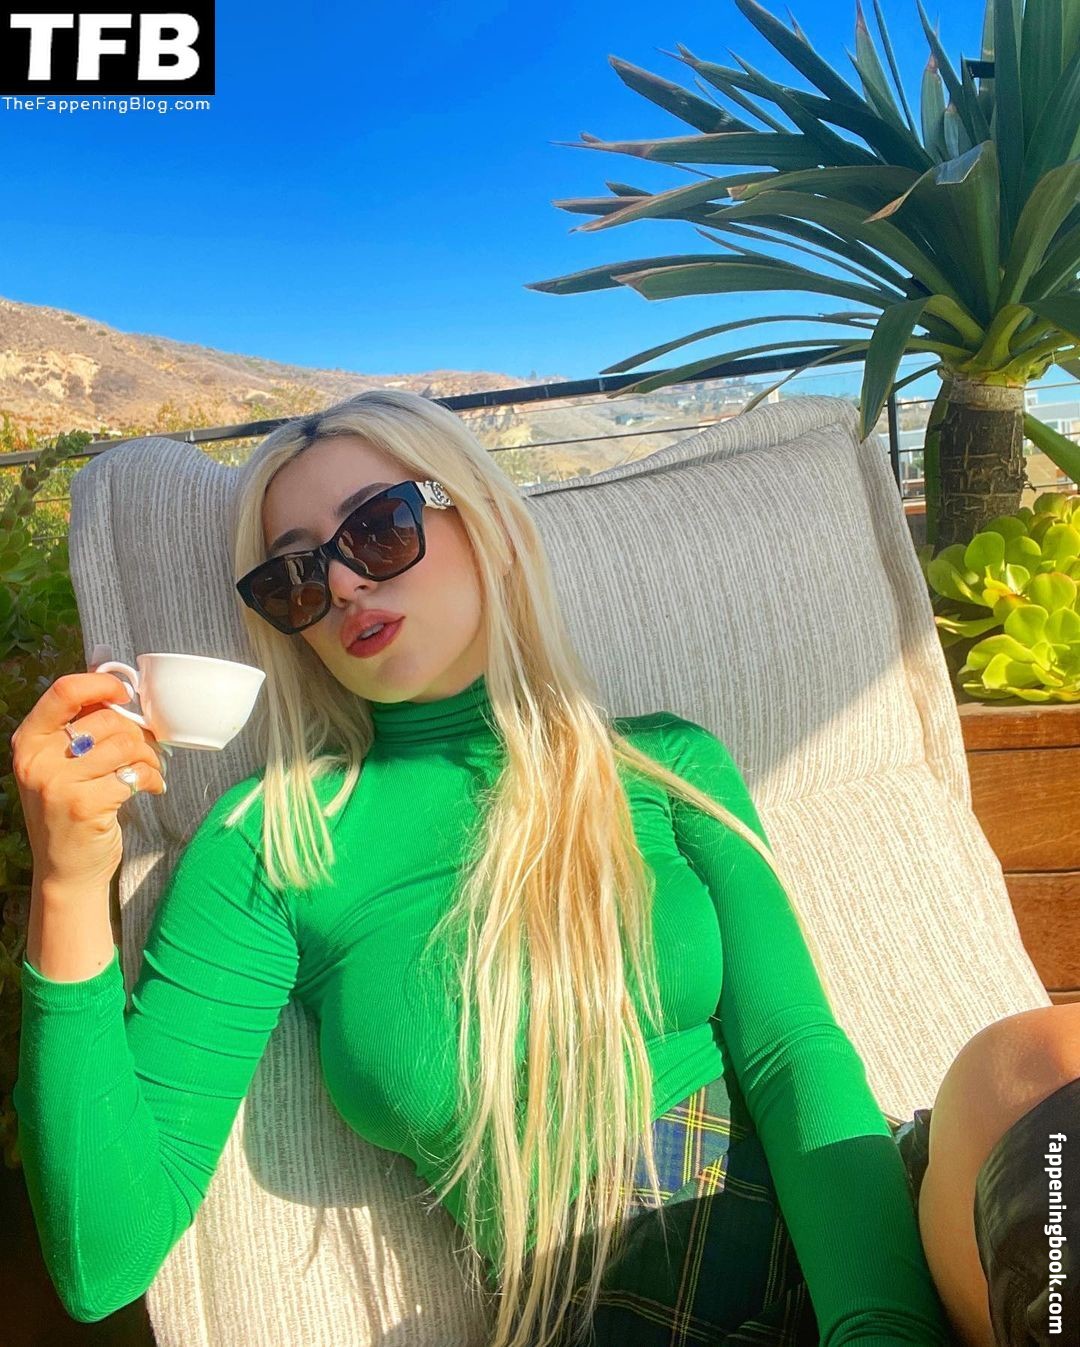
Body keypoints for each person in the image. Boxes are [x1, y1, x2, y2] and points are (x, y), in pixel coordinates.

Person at [11, 388, 1080, 1347]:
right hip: (604, 1301)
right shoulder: (271, 843)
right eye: (293, 576)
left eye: (377, 529)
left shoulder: (666, 764)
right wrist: (67, 881)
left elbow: (791, 1051)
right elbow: (105, 1262)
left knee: (1041, 1062)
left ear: (484, 520)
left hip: (867, 1233)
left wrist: (880, 1327)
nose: (337, 582)